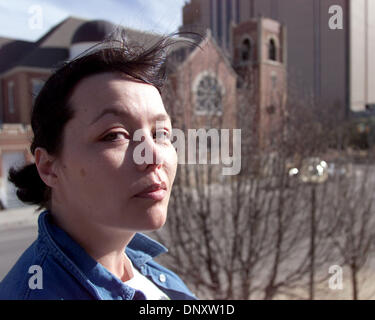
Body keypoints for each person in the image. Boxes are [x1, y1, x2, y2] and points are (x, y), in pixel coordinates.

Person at [0, 33, 197, 300]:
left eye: (161, 134)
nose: (152, 156)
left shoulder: (138, 265)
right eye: (114, 135)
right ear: (48, 167)